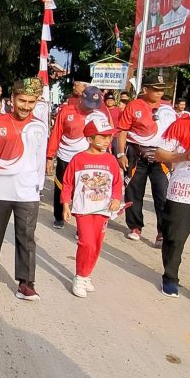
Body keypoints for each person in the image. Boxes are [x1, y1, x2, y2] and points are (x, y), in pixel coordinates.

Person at [0, 78, 47, 301]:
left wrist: (39, 185)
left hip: (28, 189)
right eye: (22, 101)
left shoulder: (39, 126)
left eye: (31, 102)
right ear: (12, 99)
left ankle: (26, 282)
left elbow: (40, 158)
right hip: (1, 185)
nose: (26, 106)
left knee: (27, 235)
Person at [61, 117, 123, 298]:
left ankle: (87, 274)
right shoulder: (78, 159)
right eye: (102, 137)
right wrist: (66, 204)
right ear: (89, 139)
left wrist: (116, 199)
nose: (107, 141)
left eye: (109, 137)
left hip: (103, 209)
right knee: (86, 242)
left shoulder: (111, 160)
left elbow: (117, 184)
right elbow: (67, 183)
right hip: (83, 209)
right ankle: (80, 277)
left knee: (96, 245)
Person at [116, 76, 176, 245]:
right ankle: (135, 227)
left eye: (161, 89)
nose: (159, 93)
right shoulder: (133, 106)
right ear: (145, 90)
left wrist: (173, 158)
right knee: (134, 191)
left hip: (161, 156)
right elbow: (122, 131)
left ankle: (162, 232)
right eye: (155, 89)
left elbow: (174, 134)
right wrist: (121, 154)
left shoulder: (167, 109)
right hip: (137, 154)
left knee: (163, 194)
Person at [46, 85, 109, 229]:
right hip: (66, 156)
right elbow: (56, 133)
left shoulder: (99, 116)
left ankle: (83, 223)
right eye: (88, 104)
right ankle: (59, 216)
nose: (91, 108)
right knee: (61, 187)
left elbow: (106, 138)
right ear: (81, 98)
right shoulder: (66, 111)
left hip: (87, 159)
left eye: (94, 105)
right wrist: (50, 156)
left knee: (86, 189)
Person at [155, 117, 190, 296]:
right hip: (183, 192)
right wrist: (184, 156)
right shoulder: (182, 125)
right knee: (174, 239)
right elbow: (160, 154)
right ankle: (170, 278)